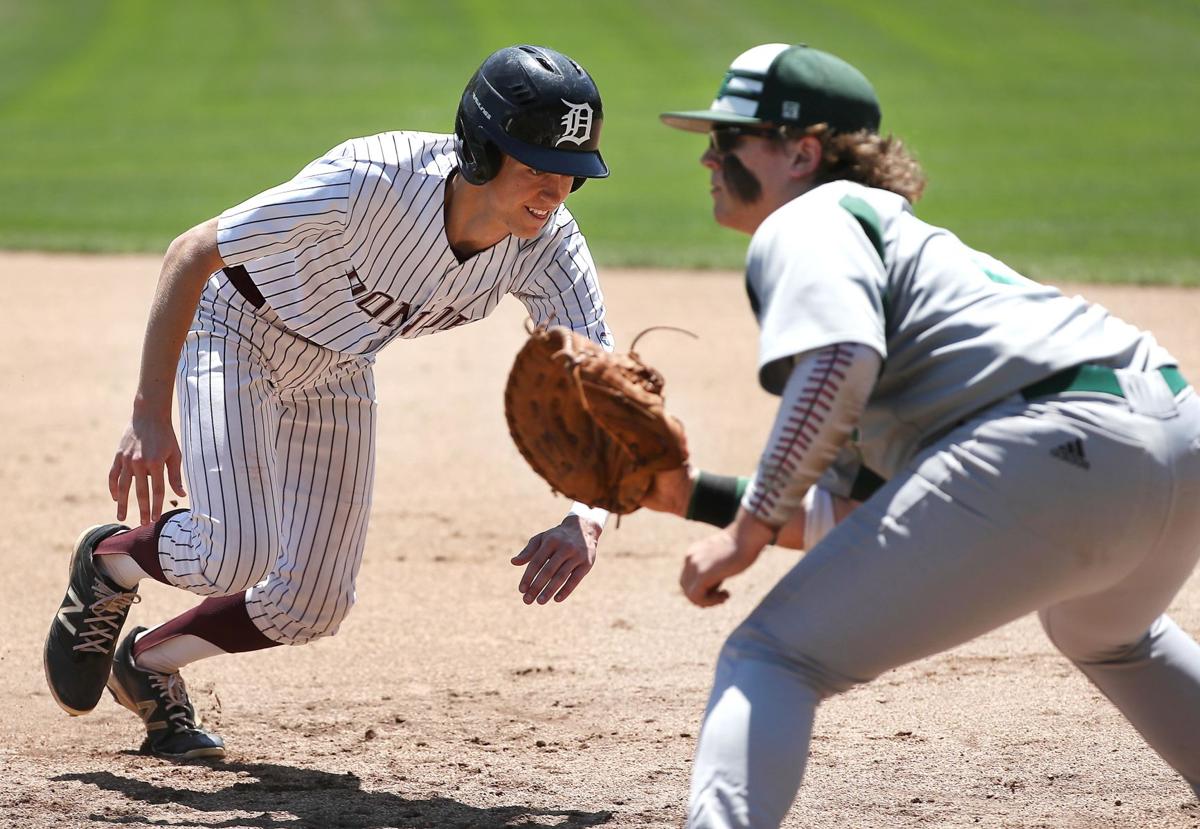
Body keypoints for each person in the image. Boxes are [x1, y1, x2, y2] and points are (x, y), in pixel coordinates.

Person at [649, 42, 1200, 827]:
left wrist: (747, 532)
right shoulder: (895, 241)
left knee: (770, 655)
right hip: (1172, 435)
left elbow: (839, 361)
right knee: (1107, 632)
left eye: (729, 137)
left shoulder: (807, 216)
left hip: (1050, 444)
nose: (708, 156)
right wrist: (691, 494)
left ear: (802, 152)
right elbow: (869, 518)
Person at [44, 44, 616, 760]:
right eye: (534, 165)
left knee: (311, 604)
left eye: (571, 172)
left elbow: (602, 388)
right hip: (238, 328)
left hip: (340, 368)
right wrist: (149, 415)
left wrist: (587, 515)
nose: (555, 190)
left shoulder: (549, 246)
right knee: (231, 553)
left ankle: (147, 664)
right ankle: (109, 562)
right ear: (481, 149)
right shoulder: (373, 181)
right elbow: (192, 251)